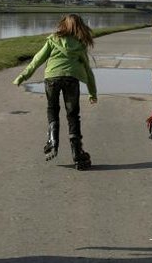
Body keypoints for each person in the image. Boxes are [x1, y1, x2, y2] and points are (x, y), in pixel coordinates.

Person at [13, 14, 97, 170]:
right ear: (79, 27)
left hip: (51, 78)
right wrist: (93, 93)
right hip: (71, 80)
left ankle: (53, 141)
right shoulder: (79, 44)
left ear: (63, 25)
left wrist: (23, 76)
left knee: (52, 109)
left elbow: (37, 59)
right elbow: (88, 70)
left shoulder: (53, 39)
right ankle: (77, 153)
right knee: (73, 115)